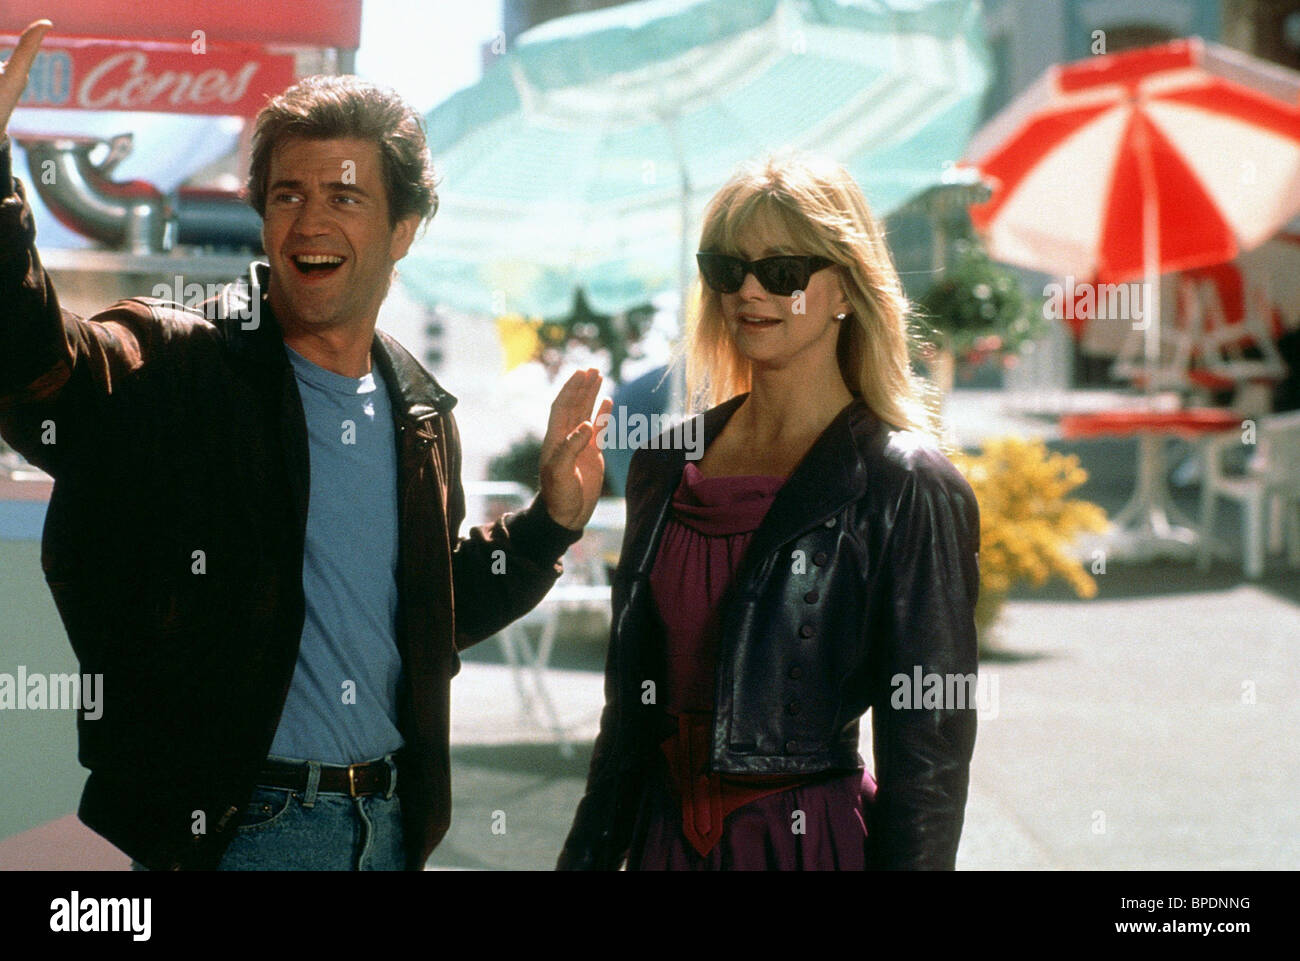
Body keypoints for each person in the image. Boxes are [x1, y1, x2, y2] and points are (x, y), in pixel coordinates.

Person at [0, 21, 612, 871]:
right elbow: (42, 372)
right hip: (241, 835)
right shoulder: (183, 363)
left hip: (390, 829)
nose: (309, 221)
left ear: (404, 228)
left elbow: (425, 616)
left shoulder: (421, 410)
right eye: (287, 194)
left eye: (345, 195)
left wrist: (552, 522)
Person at [557, 152, 980, 871]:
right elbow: (626, 723)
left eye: (782, 271)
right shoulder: (666, 463)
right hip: (665, 845)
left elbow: (929, 760)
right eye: (727, 268)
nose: (749, 290)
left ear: (844, 285)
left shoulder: (905, 483)